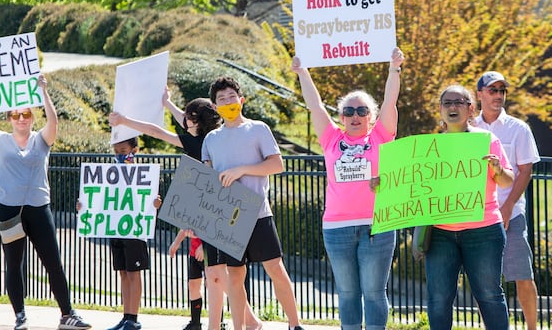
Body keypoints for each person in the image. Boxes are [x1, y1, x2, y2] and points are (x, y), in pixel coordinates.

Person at [0, 75, 92, 330]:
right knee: (14, 262)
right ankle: (20, 316)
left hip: (38, 208)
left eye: (26, 114)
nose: (21, 119)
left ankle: (67, 315)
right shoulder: (0, 139)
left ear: (32, 117)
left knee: (53, 262)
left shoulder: (42, 140)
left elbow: (53, 121)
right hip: (8, 210)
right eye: (15, 115)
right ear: (9, 119)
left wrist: (44, 91)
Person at [109, 93, 263, 330]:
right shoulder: (210, 137)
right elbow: (183, 118)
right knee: (221, 273)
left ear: (197, 122)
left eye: (189, 118)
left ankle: (240, 322)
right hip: (221, 204)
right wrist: (167, 103)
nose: (184, 122)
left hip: (214, 207)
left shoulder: (198, 142)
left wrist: (124, 120)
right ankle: (249, 321)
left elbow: (157, 132)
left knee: (220, 273)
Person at [290, 47, 404, 330]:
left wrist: (394, 68)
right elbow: (315, 106)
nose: (355, 116)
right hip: (337, 229)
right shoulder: (330, 138)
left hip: (377, 226)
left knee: (375, 294)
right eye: (349, 111)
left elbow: (390, 102)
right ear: (341, 116)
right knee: (348, 294)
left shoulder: (381, 136)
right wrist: (302, 72)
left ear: (370, 115)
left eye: (362, 110)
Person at [201, 76, 303, 330]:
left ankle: (295, 325)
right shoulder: (211, 140)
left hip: (258, 213)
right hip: (227, 219)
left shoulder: (258, 129)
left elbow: (277, 164)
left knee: (275, 268)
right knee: (234, 276)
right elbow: (207, 182)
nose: (228, 102)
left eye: (231, 97)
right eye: (221, 99)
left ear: (242, 100)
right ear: (215, 107)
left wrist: (241, 170)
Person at [425, 84, 515, 330]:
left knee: (489, 295)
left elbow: (508, 180)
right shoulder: (427, 147)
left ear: (470, 108)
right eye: (447, 103)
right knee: (438, 298)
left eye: (458, 102)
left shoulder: (486, 139)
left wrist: (497, 169)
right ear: (441, 110)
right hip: (440, 233)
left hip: (484, 231)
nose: (452, 107)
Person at [472, 71, 540, 330]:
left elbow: (525, 170)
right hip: (478, 216)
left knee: (523, 276)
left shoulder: (519, 128)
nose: (498, 95)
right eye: (492, 90)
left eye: (502, 90)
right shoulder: (469, 129)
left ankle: (532, 327)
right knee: (483, 281)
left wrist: (509, 206)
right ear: (479, 94)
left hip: (512, 215)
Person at [97, 137, 162, 330]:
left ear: (135, 150)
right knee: (123, 273)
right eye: (116, 151)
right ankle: (126, 317)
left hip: (135, 230)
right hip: (116, 228)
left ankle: (133, 318)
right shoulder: (111, 173)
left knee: (134, 273)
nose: (120, 155)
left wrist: (155, 204)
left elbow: (149, 200)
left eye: (123, 150)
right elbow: (101, 197)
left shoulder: (143, 175)